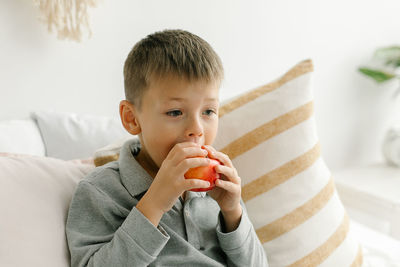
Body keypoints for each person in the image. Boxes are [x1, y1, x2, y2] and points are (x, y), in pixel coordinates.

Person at [66, 29, 268, 267]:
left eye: (208, 112)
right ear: (132, 118)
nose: (197, 129)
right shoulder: (101, 191)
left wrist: (233, 211)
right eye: (175, 112)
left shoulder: (216, 192)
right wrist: (154, 203)